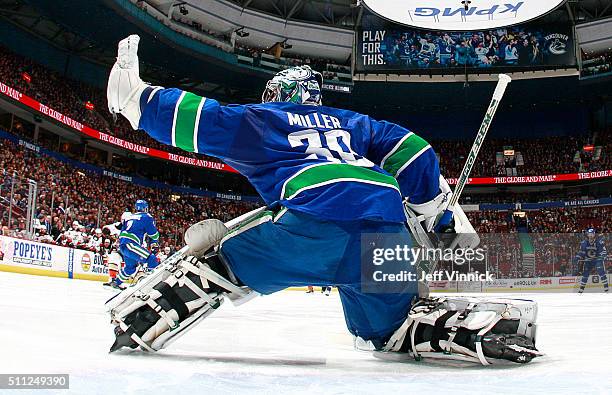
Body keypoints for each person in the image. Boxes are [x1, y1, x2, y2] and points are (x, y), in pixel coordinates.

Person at [105, 35, 540, 364]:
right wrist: (434, 214)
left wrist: (137, 99)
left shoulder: (265, 119)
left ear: (277, 95)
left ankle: (144, 320)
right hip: (388, 228)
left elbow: (203, 119)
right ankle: (471, 333)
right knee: (388, 330)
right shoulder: (351, 122)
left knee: (216, 265)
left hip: (315, 220)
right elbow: (414, 150)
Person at [107, 199, 160, 290]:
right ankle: (149, 286)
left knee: (130, 268)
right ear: (146, 208)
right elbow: (153, 234)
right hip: (131, 244)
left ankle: (116, 282)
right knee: (152, 260)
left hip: (123, 245)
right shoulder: (147, 216)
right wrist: (154, 243)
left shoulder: (129, 217)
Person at [573, 228, 608, 293]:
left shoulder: (599, 242)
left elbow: (604, 251)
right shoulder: (584, 243)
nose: (591, 235)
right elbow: (581, 252)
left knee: (601, 272)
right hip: (588, 260)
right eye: (589, 234)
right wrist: (577, 257)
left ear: (594, 234)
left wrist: (603, 256)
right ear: (588, 235)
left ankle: (606, 288)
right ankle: (581, 289)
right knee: (585, 274)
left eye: (592, 234)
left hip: (597, 259)